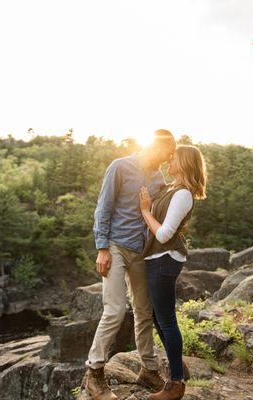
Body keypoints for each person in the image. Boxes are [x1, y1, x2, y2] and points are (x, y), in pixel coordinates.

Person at [84, 130, 176, 400]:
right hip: (114, 246)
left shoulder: (158, 177)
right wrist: (102, 248)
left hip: (141, 251)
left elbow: (158, 213)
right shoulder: (120, 167)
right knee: (114, 310)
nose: (166, 159)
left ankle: (148, 369)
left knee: (144, 311)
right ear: (153, 147)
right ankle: (95, 373)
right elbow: (104, 207)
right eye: (164, 153)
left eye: (170, 156)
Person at [139, 145, 207, 400]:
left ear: (185, 163)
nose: (169, 159)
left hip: (165, 259)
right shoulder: (171, 188)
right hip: (156, 258)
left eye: (174, 157)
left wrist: (146, 211)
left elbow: (165, 234)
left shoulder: (183, 195)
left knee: (166, 320)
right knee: (159, 318)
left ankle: (176, 384)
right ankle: (178, 367)